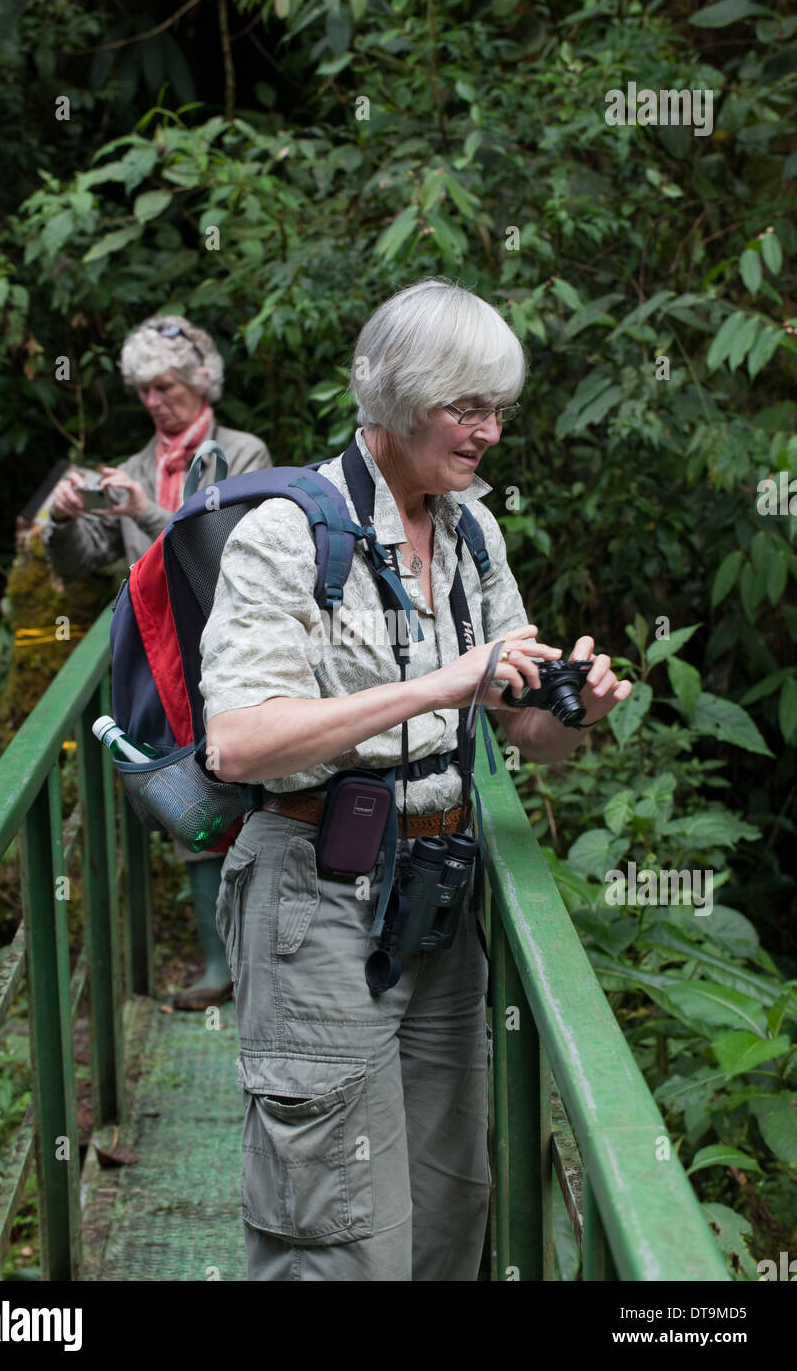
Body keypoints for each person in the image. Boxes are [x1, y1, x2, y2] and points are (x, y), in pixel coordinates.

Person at [200, 278, 632, 1282]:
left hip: (439, 897)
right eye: (464, 407)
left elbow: (517, 728)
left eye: (497, 410)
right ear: (393, 397)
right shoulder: (287, 532)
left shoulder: (471, 531)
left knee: (447, 1213)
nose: (486, 432)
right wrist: (442, 680)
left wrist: (571, 712)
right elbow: (236, 743)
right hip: (314, 896)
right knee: (338, 1232)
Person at [45, 314, 272, 1010]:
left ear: (203, 382)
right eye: (143, 389)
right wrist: (59, 524)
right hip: (159, 659)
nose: (153, 400)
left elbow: (231, 551)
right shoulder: (135, 467)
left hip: (238, 647)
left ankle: (264, 956)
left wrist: (148, 515)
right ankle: (218, 965)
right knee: (184, 799)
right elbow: (85, 565)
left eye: (165, 385)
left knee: (257, 792)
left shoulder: (245, 452)